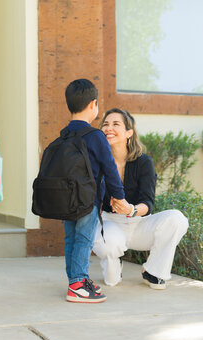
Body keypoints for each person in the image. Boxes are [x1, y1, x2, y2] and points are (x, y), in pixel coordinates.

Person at [92, 108, 189, 289]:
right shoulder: (96, 161)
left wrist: (131, 209)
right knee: (112, 282)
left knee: (177, 219)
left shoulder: (143, 162)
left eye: (115, 124)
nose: (108, 128)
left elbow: (148, 203)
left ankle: (153, 272)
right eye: (105, 124)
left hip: (138, 224)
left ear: (129, 132)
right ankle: (115, 262)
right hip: (110, 223)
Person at [62, 79, 125, 303]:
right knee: (84, 240)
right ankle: (78, 284)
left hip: (66, 199)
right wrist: (120, 197)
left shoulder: (64, 134)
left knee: (71, 239)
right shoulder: (95, 136)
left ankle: (75, 280)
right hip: (87, 200)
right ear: (93, 104)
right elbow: (109, 169)